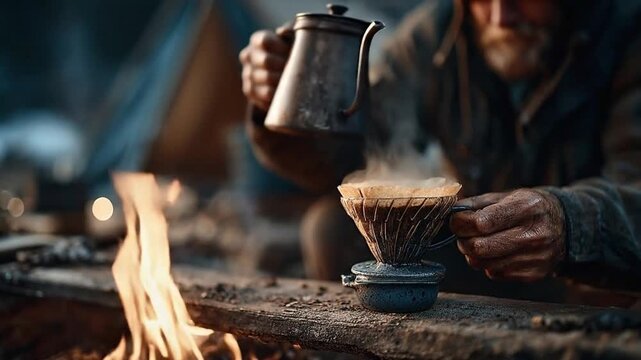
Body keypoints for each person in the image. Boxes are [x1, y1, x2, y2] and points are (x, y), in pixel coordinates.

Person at [239, 0, 641, 294]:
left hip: (596, 282)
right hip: (484, 261)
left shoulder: (627, 30)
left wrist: (570, 224)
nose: (501, 16)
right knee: (332, 228)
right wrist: (283, 102)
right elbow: (351, 163)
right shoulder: (434, 36)